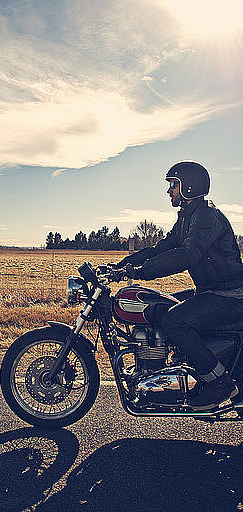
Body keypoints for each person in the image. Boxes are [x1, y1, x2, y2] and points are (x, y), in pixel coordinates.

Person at [114, 161, 243, 410]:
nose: (169, 190)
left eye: (173, 184)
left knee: (174, 320)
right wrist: (125, 264)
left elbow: (188, 254)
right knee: (159, 307)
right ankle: (182, 365)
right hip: (212, 290)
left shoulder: (206, 216)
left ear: (189, 187)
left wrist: (143, 272)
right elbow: (162, 247)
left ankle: (218, 382)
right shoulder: (188, 216)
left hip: (230, 294)